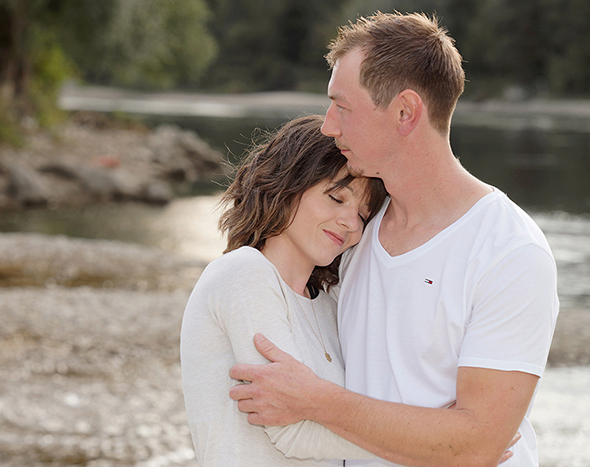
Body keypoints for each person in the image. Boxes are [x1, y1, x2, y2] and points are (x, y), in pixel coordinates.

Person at [229, 12, 559, 467]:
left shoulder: (509, 252)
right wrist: (439, 436)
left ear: (405, 112)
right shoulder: (347, 232)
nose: (328, 125)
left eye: (342, 107)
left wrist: (316, 401)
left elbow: (477, 445)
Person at [180, 114, 389, 466]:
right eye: (337, 198)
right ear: (289, 184)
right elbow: (293, 433)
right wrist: (435, 446)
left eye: (364, 216)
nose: (351, 223)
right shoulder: (244, 273)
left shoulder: (329, 305)